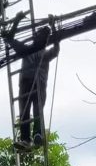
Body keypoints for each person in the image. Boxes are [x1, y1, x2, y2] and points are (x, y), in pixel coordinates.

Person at [3, 13, 59, 150]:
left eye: (43, 37)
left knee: (37, 110)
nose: (40, 38)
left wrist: (53, 27)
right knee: (25, 112)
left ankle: (37, 134)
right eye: (39, 35)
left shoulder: (44, 54)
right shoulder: (26, 50)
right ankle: (26, 139)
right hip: (26, 82)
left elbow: (56, 50)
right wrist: (16, 21)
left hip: (38, 83)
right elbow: (9, 39)